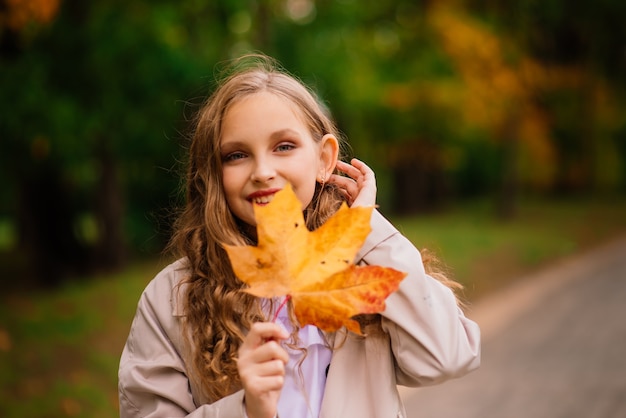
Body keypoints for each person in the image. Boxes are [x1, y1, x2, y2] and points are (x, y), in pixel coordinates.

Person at [118, 54, 481, 418]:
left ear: (324, 159)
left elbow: (446, 357)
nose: (262, 171)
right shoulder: (171, 299)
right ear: (213, 173)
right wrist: (246, 409)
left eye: (284, 147)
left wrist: (365, 228)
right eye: (237, 155)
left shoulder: (358, 264)